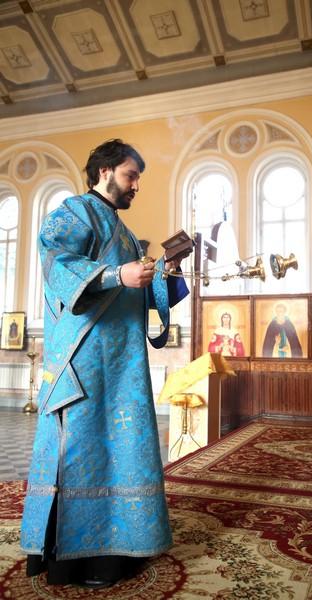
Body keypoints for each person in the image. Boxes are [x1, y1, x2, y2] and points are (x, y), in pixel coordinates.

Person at [20, 139, 189, 589]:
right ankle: (74, 560)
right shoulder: (74, 211)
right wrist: (119, 273)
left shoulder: (126, 233)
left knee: (122, 451)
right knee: (82, 449)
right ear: (105, 171)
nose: (137, 186)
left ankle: (118, 548)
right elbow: (56, 261)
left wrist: (167, 271)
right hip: (85, 358)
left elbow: (137, 293)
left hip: (122, 363)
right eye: (131, 175)